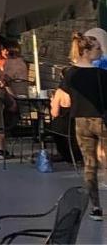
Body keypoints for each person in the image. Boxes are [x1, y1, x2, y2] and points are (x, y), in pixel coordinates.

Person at [50, 31, 107, 220]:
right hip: (101, 120)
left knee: (90, 165)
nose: (101, 51)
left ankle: (96, 207)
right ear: (87, 51)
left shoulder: (69, 74)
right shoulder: (101, 74)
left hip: (81, 122)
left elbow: (63, 100)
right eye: (98, 48)